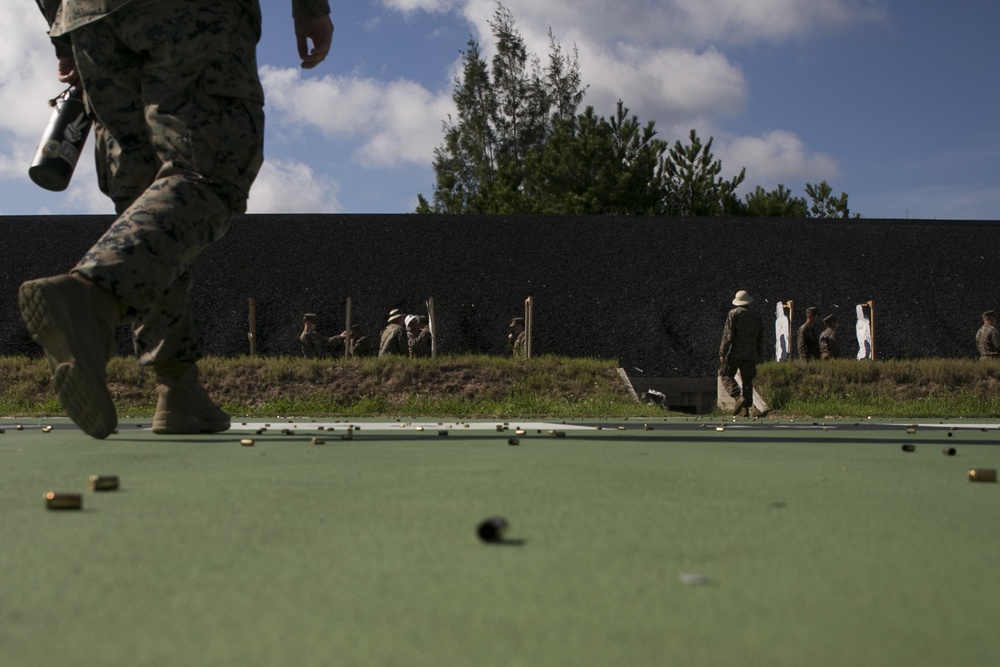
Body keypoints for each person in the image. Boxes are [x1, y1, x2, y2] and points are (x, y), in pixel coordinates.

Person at [20, 0, 335, 439]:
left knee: (148, 199)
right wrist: (310, 7)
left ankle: (178, 387)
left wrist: (63, 31)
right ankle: (90, 298)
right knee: (210, 170)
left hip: (89, 18)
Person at [718, 290, 764, 416]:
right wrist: (759, 352)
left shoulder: (734, 314)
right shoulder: (756, 316)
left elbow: (728, 336)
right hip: (750, 354)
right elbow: (760, 336)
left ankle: (738, 397)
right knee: (747, 381)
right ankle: (746, 410)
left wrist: (722, 353)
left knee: (725, 374)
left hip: (734, 353)